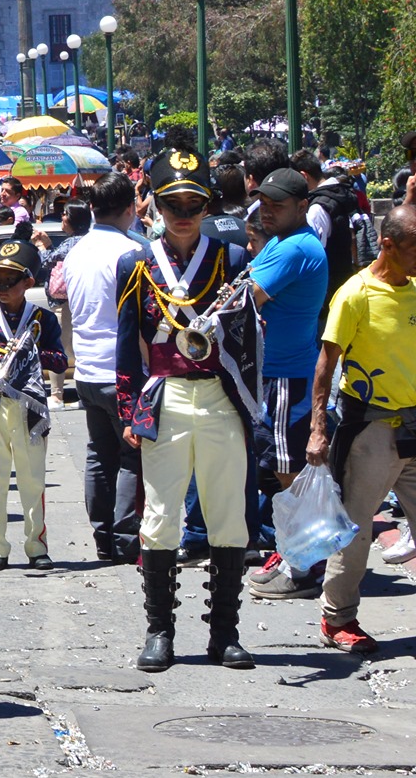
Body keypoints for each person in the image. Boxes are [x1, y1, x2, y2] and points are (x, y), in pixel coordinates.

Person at [116, 140, 259, 672]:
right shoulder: (135, 264)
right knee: (159, 516)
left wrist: (251, 408)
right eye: (172, 205)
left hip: (219, 395)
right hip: (165, 394)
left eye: (193, 206)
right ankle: (159, 630)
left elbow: (244, 343)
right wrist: (131, 409)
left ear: (207, 207)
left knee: (228, 516)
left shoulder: (232, 258)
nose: (182, 216)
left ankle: (224, 633)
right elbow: (125, 345)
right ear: (153, 203)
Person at [306, 204, 416, 653]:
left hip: (414, 425)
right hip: (371, 430)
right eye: (414, 247)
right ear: (387, 245)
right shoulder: (355, 294)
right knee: (354, 529)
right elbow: (326, 364)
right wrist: (318, 428)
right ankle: (337, 619)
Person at [244, 170, 332, 601]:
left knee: (288, 471)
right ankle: (292, 551)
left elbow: (246, 297)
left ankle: (305, 565)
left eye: (277, 205)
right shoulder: (281, 241)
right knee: (281, 469)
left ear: (302, 207)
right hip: (276, 373)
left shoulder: (295, 247)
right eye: (263, 202)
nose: (267, 210)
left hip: (287, 376)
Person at [0, 241, 66, 572]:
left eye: (10, 281)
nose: (2, 289)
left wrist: (33, 352)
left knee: (33, 480)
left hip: (30, 408)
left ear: (27, 282)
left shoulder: (42, 319)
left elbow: (60, 362)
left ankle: (36, 545)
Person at [62, 173, 143, 563]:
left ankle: (103, 536)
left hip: (87, 371)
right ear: (130, 209)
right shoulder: (132, 252)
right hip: (122, 371)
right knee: (131, 455)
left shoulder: (75, 251)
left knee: (99, 452)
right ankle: (126, 538)